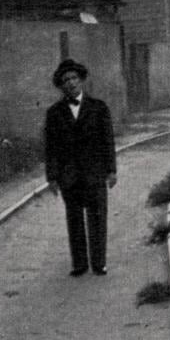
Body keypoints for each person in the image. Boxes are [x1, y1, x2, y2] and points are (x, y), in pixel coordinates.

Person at [44, 59, 117, 276]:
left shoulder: (99, 108)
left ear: (81, 80)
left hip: (95, 174)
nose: (71, 83)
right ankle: (79, 264)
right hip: (70, 177)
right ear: (61, 85)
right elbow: (51, 148)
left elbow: (108, 141)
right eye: (65, 80)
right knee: (74, 219)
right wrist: (52, 178)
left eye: (74, 78)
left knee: (97, 218)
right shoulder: (54, 113)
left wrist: (112, 170)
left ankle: (98, 263)